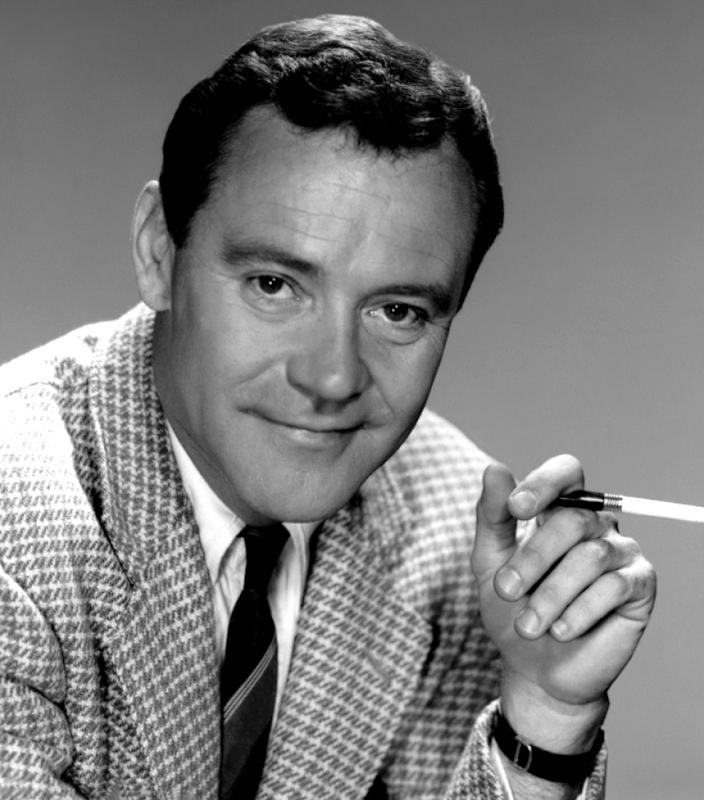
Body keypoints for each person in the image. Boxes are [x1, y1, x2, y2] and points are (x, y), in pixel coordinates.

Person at [0, 14, 655, 800]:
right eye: (275, 285)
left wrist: (546, 717)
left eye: (399, 311)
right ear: (158, 249)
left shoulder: (456, 540)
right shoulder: (15, 518)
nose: (334, 378)